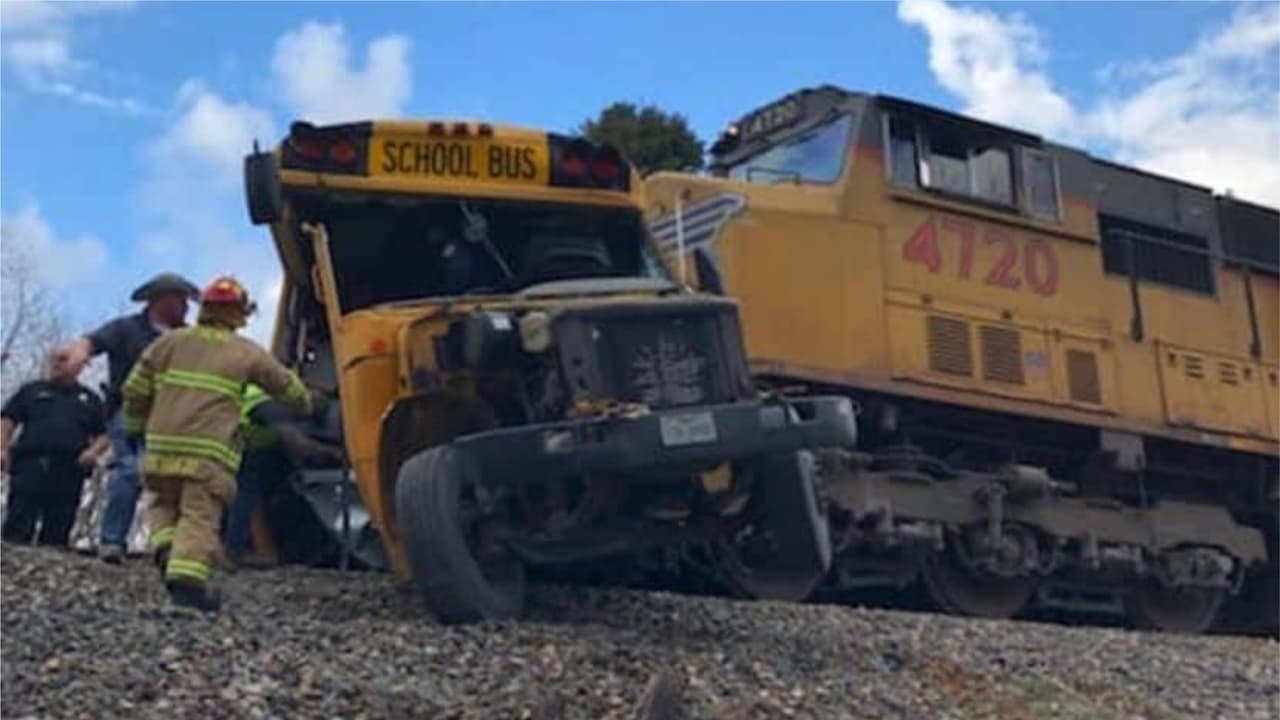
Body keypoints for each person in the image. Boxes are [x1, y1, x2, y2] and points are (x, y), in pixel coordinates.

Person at [121, 276, 322, 612]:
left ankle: (166, 547)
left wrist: (136, 428)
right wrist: (310, 406)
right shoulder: (245, 352)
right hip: (208, 454)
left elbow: (135, 390)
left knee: (162, 504)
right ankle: (187, 587)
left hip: (161, 447)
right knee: (199, 517)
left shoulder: (169, 343)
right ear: (239, 314)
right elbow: (288, 389)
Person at [60, 272, 201, 563]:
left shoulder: (188, 338)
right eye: (180, 299)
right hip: (129, 411)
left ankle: (169, 546)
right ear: (157, 300)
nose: (187, 306)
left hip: (174, 418)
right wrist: (78, 354)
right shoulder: (126, 329)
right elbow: (91, 341)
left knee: (173, 478)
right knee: (130, 468)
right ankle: (112, 541)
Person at [221, 383, 342, 569]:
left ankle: (257, 551)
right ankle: (235, 552)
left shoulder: (269, 390)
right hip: (237, 446)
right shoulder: (265, 399)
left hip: (248, 445)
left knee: (249, 494)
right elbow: (296, 443)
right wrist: (335, 454)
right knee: (246, 495)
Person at [0, 349, 110, 547]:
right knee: (17, 524)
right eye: (53, 360)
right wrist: (3, 448)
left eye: (63, 360)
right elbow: (7, 419)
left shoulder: (90, 399)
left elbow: (103, 434)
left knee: (58, 530)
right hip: (30, 464)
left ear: (79, 365)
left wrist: (93, 452)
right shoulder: (32, 390)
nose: (56, 364)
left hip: (69, 469)